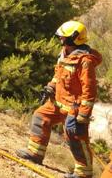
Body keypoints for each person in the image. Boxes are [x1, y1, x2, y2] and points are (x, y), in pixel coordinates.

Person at [15, 21, 102, 178]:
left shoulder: (85, 61)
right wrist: (51, 86)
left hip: (74, 108)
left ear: (73, 38)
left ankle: (83, 173)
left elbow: (89, 89)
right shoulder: (64, 53)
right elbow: (59, 75)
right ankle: (35, 153)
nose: (61, 39)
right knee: (40, 116)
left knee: (74, 136)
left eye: (63, 37)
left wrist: (83, 113)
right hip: (58, 102)